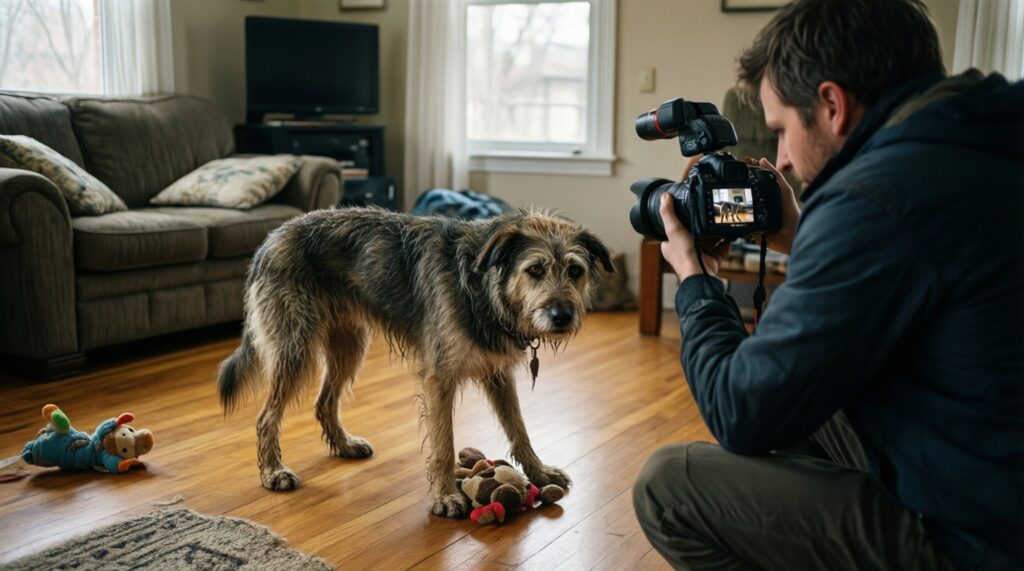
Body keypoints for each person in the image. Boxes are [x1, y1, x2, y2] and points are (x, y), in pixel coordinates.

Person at [631, 0, 1024, 569]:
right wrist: (805, 234)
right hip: (992, 476)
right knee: (807, 391)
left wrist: (694, 279)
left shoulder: (876, 197)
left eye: (781, 131)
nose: (783, 161)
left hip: (971, 541)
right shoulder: (976, 140)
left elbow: (738, 409)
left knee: (669, 486)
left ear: (833, 105)